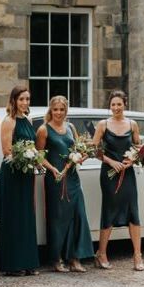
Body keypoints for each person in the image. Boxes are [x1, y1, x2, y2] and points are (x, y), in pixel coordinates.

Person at [36, 95, 94, 273]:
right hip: (55, 178)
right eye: (55, 109)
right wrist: (52, 168)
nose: (59, 113)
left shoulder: (70, 127)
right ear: (50, 110)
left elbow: (78, 149)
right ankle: (56, 258)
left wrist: (82, 156)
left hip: (73, 178)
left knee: (78, 215)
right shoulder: (43, 129)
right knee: (58, 218)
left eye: (62, 109)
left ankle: (75, 259)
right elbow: (39, 155)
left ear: (66, 110)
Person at [91, 90, 144, 271]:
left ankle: (137, 256)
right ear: (110, 106)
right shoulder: (103, 124)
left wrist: (132, 161)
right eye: (113, 104)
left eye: (119, 104)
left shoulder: (133, 124)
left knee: (133, 212)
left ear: (125, 105)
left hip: (127, 175)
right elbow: (95, 150)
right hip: (109, 174)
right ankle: (101, 254)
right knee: (109, 211)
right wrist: (111, 161)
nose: (116, 108)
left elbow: (139, 148)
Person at [0, 84, 40, 276]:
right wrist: (26, 157)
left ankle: (29, 261)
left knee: (27, 215)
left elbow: (32, 145)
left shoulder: (28, 120)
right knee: (14, 216)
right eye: (21, 99)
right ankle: (14, 264)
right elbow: (7, 150)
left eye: (27, 99)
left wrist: (34, 160)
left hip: (26, 173)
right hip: (13, 172)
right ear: (14, 100)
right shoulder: (9, 120)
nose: (25, 102)